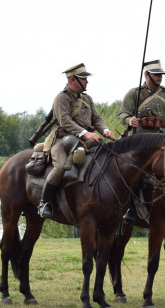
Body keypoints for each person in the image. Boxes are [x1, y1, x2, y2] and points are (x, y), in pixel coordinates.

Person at [39, 63, 116, 219]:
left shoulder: (87, 98)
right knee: (60, 167)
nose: (87, 82)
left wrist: (105, 130)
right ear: (72, 80)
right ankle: (44, 202)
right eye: (83, 79)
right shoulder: (61, 98)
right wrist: (85, 133)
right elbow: (65, 121)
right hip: (61, 139)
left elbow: (97, 118)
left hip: (84, 139)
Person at [117, 59, 165, 140]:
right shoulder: (134, 93)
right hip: (141, 139)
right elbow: (122, 114)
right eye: (156, 74)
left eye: (161, 74)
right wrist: (129, 120)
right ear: (146, 74)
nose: (160, 77)